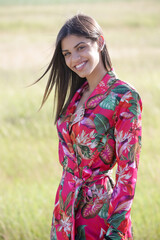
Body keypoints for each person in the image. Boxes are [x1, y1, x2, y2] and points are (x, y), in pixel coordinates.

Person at [36, 14, 142, 240]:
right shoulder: (76, 95)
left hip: (98, 215)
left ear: (100, 43)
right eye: (67, 54)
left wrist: (116, 231)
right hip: (64, 210)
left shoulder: (124, 96)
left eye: (81, 48)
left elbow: (127, 172)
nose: (74, 59)